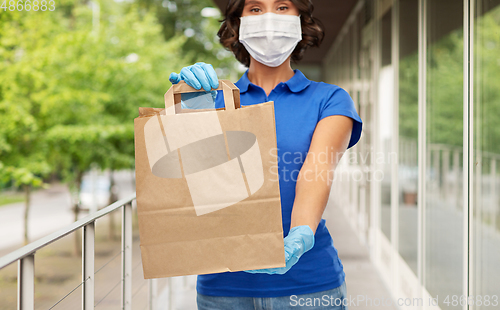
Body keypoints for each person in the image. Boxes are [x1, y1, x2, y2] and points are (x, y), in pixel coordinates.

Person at [169, 0, 362, 309]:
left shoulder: (330, 100)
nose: (270, 17)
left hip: (308, 286)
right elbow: (187, 176)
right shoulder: (212, 99)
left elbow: (316, 172)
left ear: (300, 20)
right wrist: (185, 103)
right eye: (255, 8)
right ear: (238, 23)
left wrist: (298, 236)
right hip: (223, 286)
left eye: (282, 6)